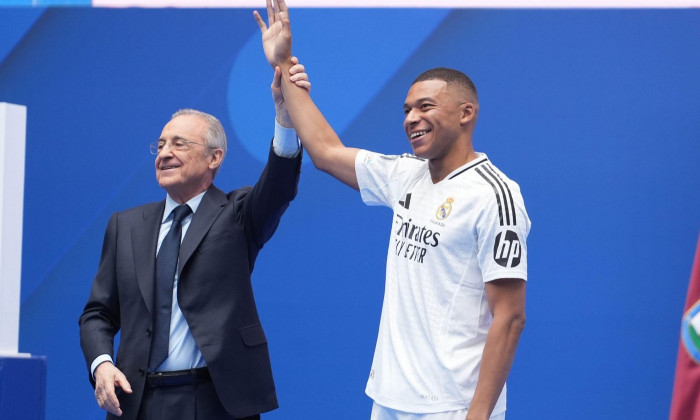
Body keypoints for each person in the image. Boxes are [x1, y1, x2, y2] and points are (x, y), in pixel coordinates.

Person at [253, 2, 531, 420]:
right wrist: (284, 65)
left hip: (452, 408)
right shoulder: (406, 175)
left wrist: (477, 415)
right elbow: (327, 153)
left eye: (425, 106)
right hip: (388, 398)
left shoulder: (496, 195)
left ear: (466, 113)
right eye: (406, 110)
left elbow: (509, 318)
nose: (411, 118)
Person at [78, 60, 311, 420]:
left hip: (216, 401)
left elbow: (279, 185)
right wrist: (101, 364)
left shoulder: (237, 214)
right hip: (138, 402)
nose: (165, 153)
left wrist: (285, 116)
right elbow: (98, 314)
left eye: (179, 143)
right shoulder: (125, 225)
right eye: (160, 145)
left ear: (214, 157)